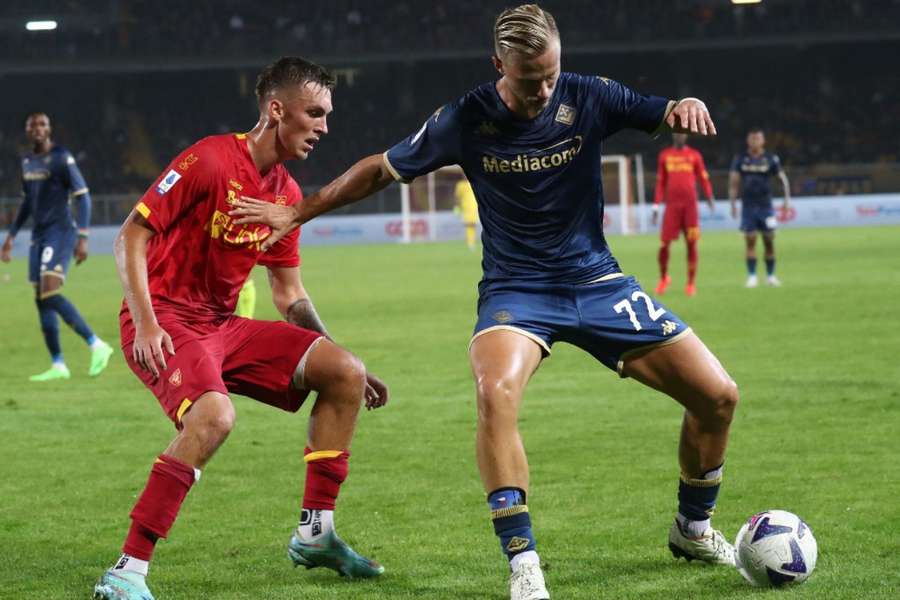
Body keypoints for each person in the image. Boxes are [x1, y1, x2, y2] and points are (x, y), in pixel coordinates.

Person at [231, 6, 738, 600]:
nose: (542, 91)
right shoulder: (466, 117)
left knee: (718, 395)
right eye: (528, 81)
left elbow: (662, 109)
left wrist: (683, 105)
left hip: (598, 282)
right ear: (499, 66)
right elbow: (379, 170)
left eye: (550, 76)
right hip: (517, 292)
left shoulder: (591, 95)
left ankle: (692, 529)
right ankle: (524, 563)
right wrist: (299, 210)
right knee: (494, 392)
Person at [92, 57, 388, 600]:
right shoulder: (208, 159)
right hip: (164, 319)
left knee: (345, 372)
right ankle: (126, 571)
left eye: (327, 114)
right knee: (213, 416)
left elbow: (288, 294)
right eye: (314, 113)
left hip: (223, 326)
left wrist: (334, 345)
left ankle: (316, 534)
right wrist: (148, 322)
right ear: (277, 110)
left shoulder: (286, 197)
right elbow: (130, 235)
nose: (324, 126)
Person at [0, 112, 114, 381]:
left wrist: (83, 237)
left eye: (42, 124)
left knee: (50, 292)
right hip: (38, 237)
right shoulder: (27, 161)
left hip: (60, 233)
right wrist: (11, 236)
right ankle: (58, 364)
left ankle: (97, 345)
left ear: (49, 129)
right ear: (27, 131)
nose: (37, 129)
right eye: (32, 125)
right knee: (40, 298)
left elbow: (83, 197)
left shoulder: (62, 158)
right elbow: (28, 202)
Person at [652, 133, 715, 297]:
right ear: (672, 134)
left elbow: (703, 178)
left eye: (682, 133)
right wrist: (656, 205)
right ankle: (664, 278)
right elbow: (660, 183)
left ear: (686, 135)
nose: (680, 135)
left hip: (690, 208)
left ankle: (690, 283)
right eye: (677, 132)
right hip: (672, 207)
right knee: (664, 244)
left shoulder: (694, 155)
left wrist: (709, 196)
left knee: (691, 244)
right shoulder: (665, 155)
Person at [728, 128, 790, 287]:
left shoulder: (770, 159)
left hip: (766, 206)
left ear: (763, 141)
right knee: (750, 240)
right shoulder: (741, 159)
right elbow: (734, 182)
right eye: (752, 138)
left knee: (769, 240)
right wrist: (733, 203)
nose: (755, 141)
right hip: (748, 207)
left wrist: (786, 201)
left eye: (758, 138)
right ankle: (752, 276)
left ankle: (770, 276)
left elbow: (782, 180)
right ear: (748, 141)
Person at [454, 175, 479, 250]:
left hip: (474, 207)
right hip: (466, 208)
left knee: (473, 225)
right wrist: (457, 207)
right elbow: (457, 197)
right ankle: (470, 243)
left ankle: (472, 241)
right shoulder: (460, 185)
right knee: (468, 225)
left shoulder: (474, 182)